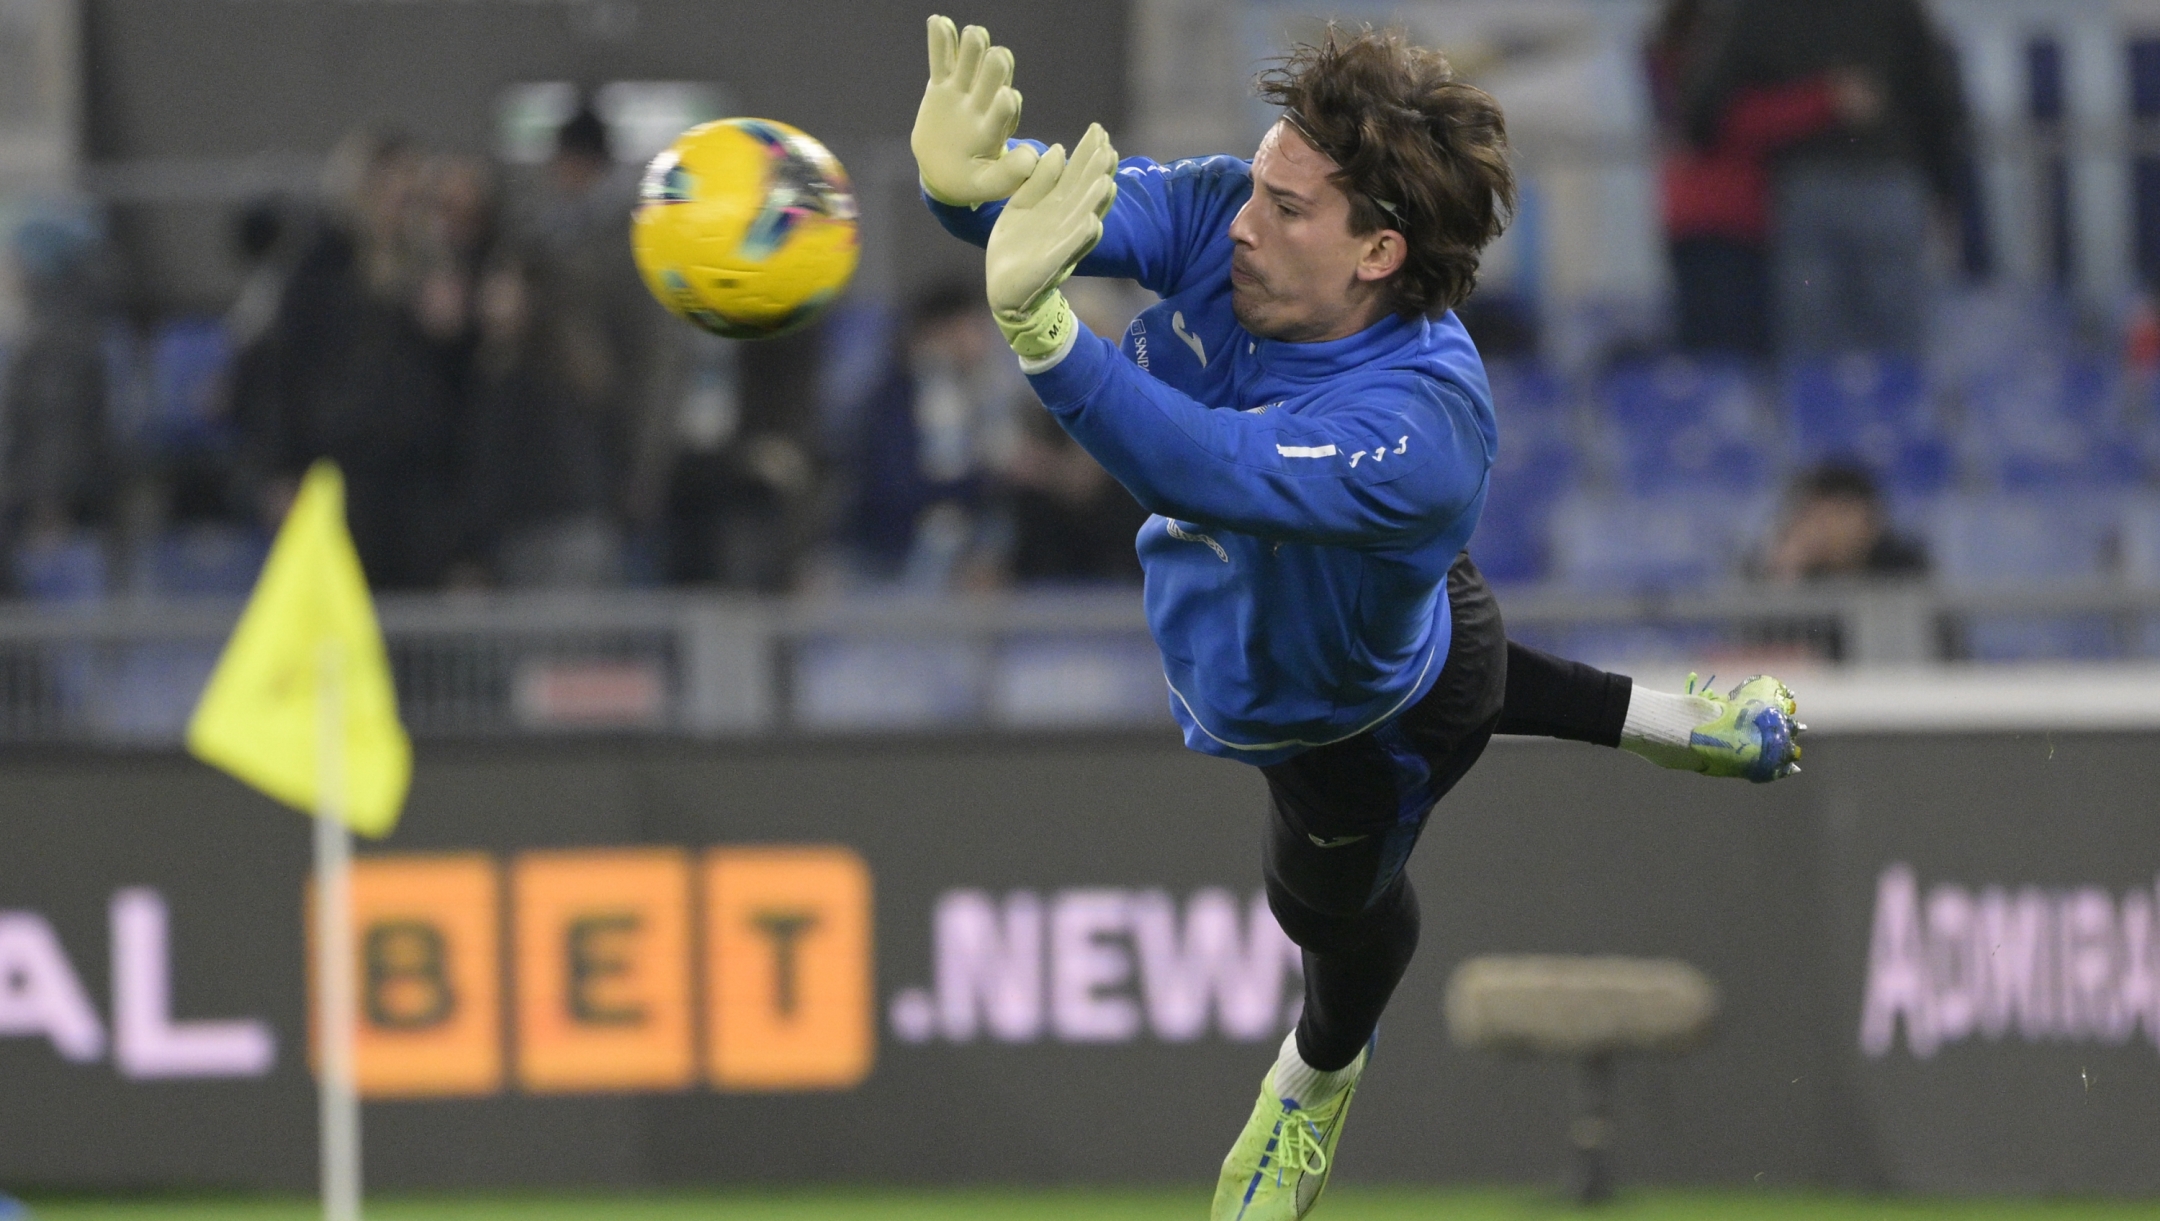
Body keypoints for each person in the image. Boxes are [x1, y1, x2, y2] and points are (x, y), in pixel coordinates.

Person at [911, 19, 1805, 1220]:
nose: (1244, 220)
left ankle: (1315, 1080)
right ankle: (1669, 717)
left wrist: (1047, 338)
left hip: (1358, 732)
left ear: (1379, 251)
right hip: (1416, 617)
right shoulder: (1224, 213)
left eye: (1288, 208)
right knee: (1469, 657)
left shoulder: (1425, 427)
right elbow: (1056, 213)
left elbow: (1209, 468)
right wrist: (967, 181)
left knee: (1333, 921)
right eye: (1259, 183)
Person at [1683, 0, 1971, 358]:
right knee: (1899, 361)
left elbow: (1704, 109)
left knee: (1815, 364)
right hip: (1890, 182)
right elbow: (1937, 98)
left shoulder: (1759, 10)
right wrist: (1945, 191)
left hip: (1806, 188)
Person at [1759, 461, 1928, 581]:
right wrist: (1787, 572)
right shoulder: (1803, 570)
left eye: (1839, 514)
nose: (1829, 527)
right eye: (1819, 516)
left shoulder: (1905, 566)